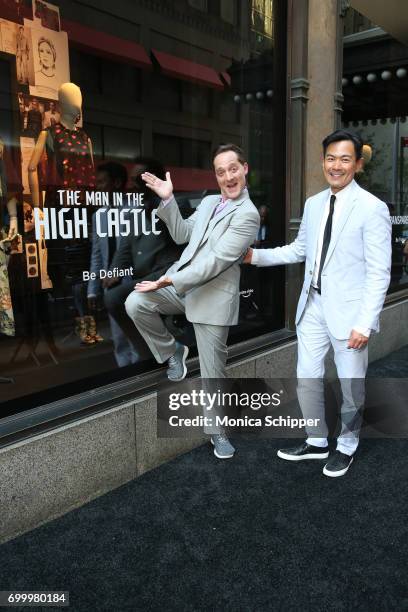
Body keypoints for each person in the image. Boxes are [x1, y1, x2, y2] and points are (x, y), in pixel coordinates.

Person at [245, 129, 391, 477]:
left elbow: (380, 271)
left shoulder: (373, 209)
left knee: (351, 384)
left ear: (357, 164)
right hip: (312, 305)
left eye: (344, 159)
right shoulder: (313, 204)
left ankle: (347, 445)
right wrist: (254, 256)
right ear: (323, 161)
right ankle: (316, 441)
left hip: (351, 314)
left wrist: (365, 322)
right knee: (307, 377)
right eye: (330, 158)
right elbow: (299, 251)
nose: (335, 165)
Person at [124, 143, 260, 459]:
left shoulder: (248, 215)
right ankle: (174, 351)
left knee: (213, 373)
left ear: (244, 169)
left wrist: (171, 279)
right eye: (221, 171)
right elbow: (183, 233)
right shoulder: (211, 201)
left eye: (233, 168)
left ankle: (219, 432)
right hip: (183, 287)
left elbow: (218, 261)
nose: (228, 176)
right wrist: (168, 199)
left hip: (211, 298)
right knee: (136, 303)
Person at [87, 162, 140, 365]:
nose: (98, 187)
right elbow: (97, 255)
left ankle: (140, 381)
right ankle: (126, 380)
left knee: (137, 338)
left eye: (102, 182)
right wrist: (93, 289)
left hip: (134, 282)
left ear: (117, 183)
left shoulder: (135, 210)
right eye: (97, 182)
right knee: (119, 340)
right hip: (111, 286)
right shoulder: (98, 216)